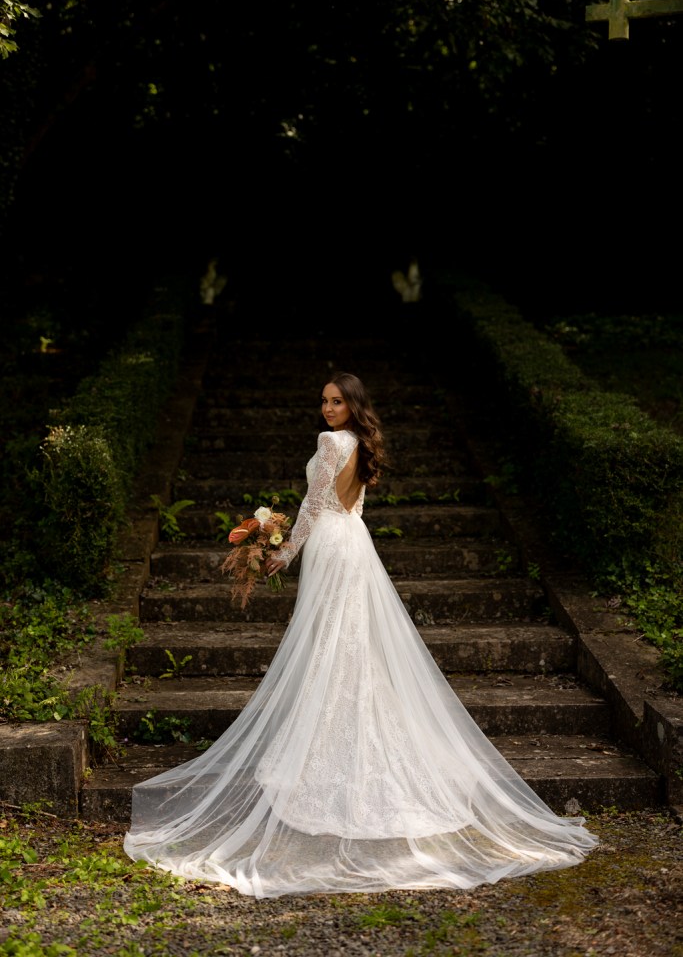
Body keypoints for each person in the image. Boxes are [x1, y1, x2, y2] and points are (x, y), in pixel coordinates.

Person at [123, 372, 598, 898]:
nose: (327, 410)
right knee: (349, 647)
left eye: (336, 401)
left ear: (352, 405)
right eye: (323, 401)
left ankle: (330, 760)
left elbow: (313, 504)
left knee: (333, 646)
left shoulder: (331, 443)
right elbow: (348, 505)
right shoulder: (363, 444)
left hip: (330, 544)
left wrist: (285, 551)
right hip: (355, 542)